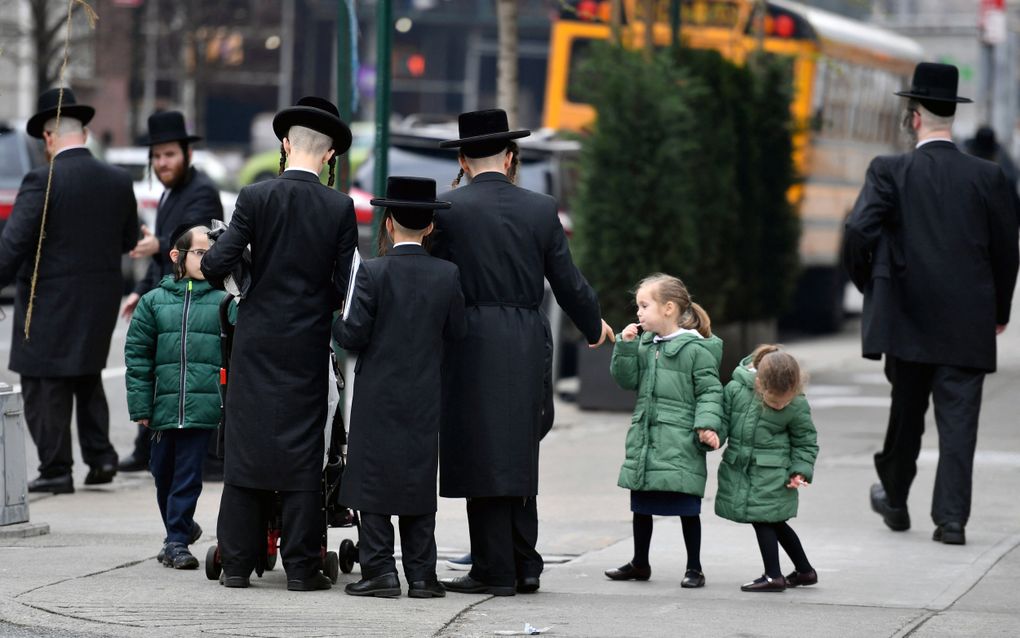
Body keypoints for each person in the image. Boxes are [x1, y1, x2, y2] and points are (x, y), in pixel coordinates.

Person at [432, 109, 614, 596]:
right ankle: (524, 562)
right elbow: (568, 281)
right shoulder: (540, 207)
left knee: (478, 451)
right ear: (511, 157)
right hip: (528, 335)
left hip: (471, 336)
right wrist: (594, 325)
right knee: (517, 448)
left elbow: (432, 277)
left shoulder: (449, 208)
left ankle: (494, 568)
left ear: (465, 160)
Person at [843, 63, 1019, 545]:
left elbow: (859, 230)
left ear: (914, 116)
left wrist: (871, 285)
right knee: (959, 424)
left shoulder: (890, 171)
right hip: (968, 322)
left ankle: (895, 497)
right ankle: (952, 520)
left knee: (906, 415)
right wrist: (999, 311)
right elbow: (1008, 251)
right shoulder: (989, 176)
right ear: (950, 117)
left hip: (907, 319)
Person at [200, 96, 358, 590]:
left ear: (285, 145)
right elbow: (345, 284)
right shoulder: (339, 206)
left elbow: (212, 266)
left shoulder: (254, 197)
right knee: (303, 453)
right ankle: (301, 568)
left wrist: (249, 274)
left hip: (255, 343)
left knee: (247, 452)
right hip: (307, 345)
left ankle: (239, 565)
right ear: (330, 155)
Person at [0, 87, 137, 494]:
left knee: (45, 384)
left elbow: (13, 244)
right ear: (85, 130)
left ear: (47, 136)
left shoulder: (42, 180)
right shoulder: (116, 179)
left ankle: (56, 468)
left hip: (48, 304)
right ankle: (101, 457)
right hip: (99, 301)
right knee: (85, 376)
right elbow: (129, 238)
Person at [335, 177, 466, 599]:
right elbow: (458, 332)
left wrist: (334, 318)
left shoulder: (371, 271)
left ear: (388, 223)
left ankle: (379, 572)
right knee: (417, 478)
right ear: (430, 227)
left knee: (371, 480)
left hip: (377, 393)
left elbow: (352, 335)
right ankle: (422, 576)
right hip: (426, 392)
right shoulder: (448, 274)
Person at [119, 110, 224, 475]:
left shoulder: (203, 191)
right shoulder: (168, 195)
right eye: (157, 156)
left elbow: (194, 243)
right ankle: (147, 447)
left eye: (170, 155)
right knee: (158, 369)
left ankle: (196, 457)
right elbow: (159, 263)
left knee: (186, 375)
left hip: (195, 301)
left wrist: (158, 244)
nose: (162, 163)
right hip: (168, 298)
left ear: (187, 155)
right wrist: (138, 292)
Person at [602, 274, 722, 589]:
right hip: (646, 437)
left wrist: (707, 425)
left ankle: (694, 567)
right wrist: (625, 347)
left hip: (680, 437)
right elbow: (627, 381)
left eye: (644, 305)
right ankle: (640, 562)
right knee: (641, 503)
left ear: (668, 308)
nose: (638, 313)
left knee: (686, 505)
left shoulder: (696, 349)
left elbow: (710, 392)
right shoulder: (643, 344)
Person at [125, 224, 233, 569]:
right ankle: (182, 525)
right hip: (162, 406)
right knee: (161, 472)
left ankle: (176, 542)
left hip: (202, 406)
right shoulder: (153, 302)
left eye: (213, 253)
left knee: (187, 475)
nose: (207, 259)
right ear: (177, 256)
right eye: (201, 253)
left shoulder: (224, 302)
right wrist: (141, 405)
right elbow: (138, 356)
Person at [715, 345, 818, 592]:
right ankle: (804, 571)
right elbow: (723, 420)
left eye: (786, 401)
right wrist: (711, 433)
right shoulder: (736, 389)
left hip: (775, 472)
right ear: (759, 384)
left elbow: (805, 441)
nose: (781, 406)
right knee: (776, 522)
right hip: (743, 468)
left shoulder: (797, 403)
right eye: (775, 402)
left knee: (763, 519)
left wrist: (800, 471)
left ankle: (773, 576)